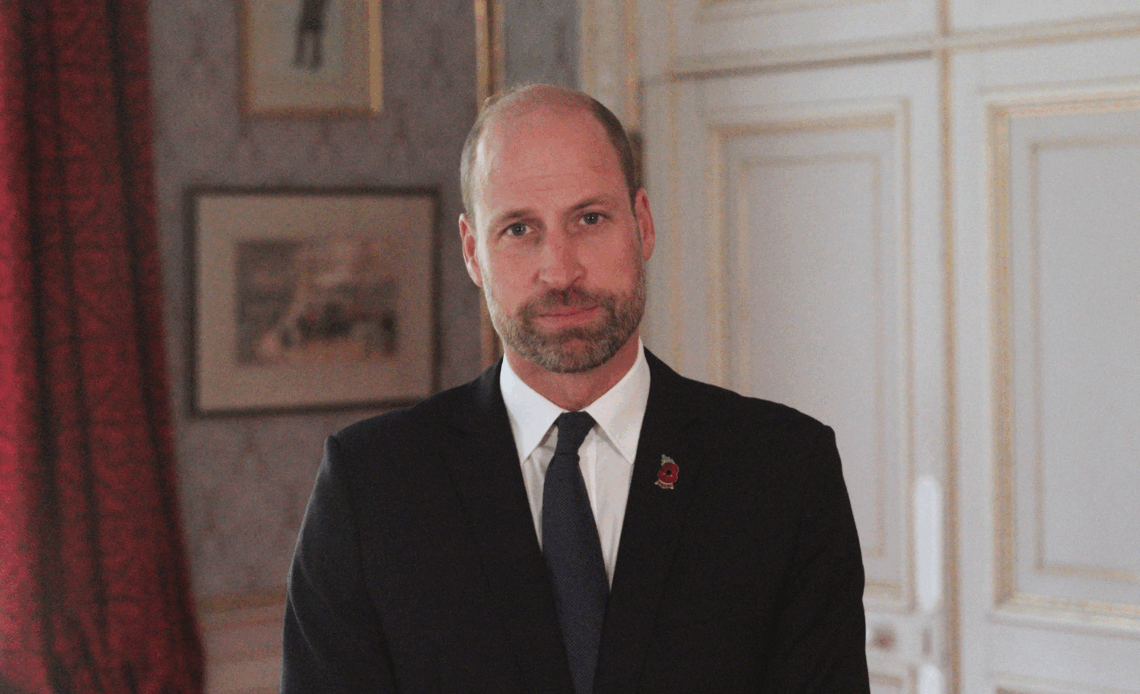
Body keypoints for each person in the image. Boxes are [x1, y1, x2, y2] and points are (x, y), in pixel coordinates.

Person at [281, 84, 870, 693]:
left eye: (590, 219)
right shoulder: (372, 485)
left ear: (642, 225)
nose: (561, 271)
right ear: (472, 252)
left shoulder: (783, 470)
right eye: (518, 229)